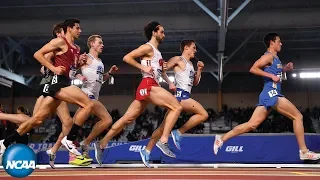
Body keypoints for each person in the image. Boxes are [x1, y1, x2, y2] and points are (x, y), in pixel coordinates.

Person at [213, 33, 320, 161]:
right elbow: (253, 69)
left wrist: (285, 69)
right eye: (279, 41)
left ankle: (221, 139)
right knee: (298, 116)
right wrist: (271, 77)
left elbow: (275, 74)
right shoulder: (268, 56)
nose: (281, 44)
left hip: (268, 94)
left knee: (251, 125)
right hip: (272, 93)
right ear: (272, 42)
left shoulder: (276, 59)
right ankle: (304, 151)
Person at [0, 19, 94, 159]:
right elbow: (38, 54)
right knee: (88, 104)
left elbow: (70, 69)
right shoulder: (60, 42)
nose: (80, 31)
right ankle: (69, 139)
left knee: (37, 119)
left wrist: (79, 64)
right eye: (77, 28)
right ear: (69, 29)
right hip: (58, 84)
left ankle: (5, 142)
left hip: (63, 82)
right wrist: (53, 68)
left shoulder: (76, 48)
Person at [93, 21, 183, 164]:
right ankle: (163, 140)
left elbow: (161, 71)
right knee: (177, 107)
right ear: (154, 32)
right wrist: (142, 67)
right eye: (162, 32)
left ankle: (102, 143)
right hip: (148, 84)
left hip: (149, 86)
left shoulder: (157, 52)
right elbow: (127, 57)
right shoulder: (147, 47)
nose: (164, 35)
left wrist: (170, 82)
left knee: (127, 119)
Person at [47, 34, 118, 165]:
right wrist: (79, 75)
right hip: (86, 94)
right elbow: (71, 72)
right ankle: (85, 143)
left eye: (102, 43)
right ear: (92, 44)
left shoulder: (100, 62)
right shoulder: (86, 58)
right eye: (100, 42)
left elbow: (101, 79)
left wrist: (110, 73)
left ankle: (54, 150)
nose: (102, 45)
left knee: (72, 124)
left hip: (93, 96)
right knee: (107, 119)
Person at [139, 39, 208, 167]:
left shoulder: (190, 65)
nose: (195, 50)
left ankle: (146, 151)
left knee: (161, 128)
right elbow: (163, 68)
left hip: (184, 96)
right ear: (186, 48)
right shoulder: (178, 59)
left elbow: (195, 83)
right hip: (181, 96)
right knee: (203, 114)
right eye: (194, 47)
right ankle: (178, 132)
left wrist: (199, 70)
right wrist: (167, 76)